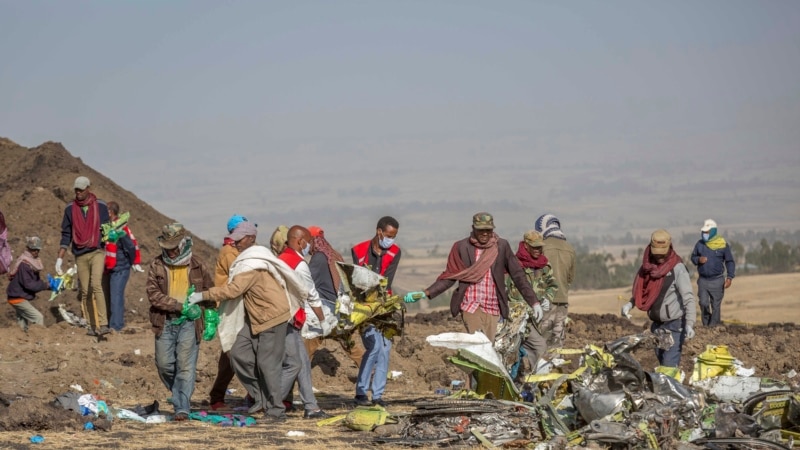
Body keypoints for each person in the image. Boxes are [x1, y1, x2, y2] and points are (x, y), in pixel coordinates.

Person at [190, 221, 308, 423]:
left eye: (239, 240)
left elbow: (232, 290)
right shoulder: (248, 259)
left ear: (251, 239)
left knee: (267, 363)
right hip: (255, 317)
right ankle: (261, 397)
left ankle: (276, 410)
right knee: (237, 353)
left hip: (271, 317)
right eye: (233, 239)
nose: (234, 243)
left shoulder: (252, 264)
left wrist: (203, 295)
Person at [410, 213, 542, 344]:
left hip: (493, 305)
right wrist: (426, 293)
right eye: (481, 230)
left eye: (488, 230)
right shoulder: (461, 247)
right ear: (473, 228)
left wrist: (534, 302)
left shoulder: (501, 246)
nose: (485, 233)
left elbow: (518, 275)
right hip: (470, 304)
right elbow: (450, 276)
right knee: (478, 344)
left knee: (489, 346)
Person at [145, 223, 213, 421]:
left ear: (183, 244)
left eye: (174, 248)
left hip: (190, 324)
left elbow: (209, 290)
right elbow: (153, 294)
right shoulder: (156, 265)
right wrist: (178, 306)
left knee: (185, 366)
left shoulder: (198, 265)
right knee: (164, 364)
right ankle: (179, 395)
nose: (171, 253)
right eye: (167, 249)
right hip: (165, 321)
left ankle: (182, 407)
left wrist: (210, 315)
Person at [621, 229, 696, 368]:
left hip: (674, 326)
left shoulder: (677, 269)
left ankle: (671, 387)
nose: (660, 257)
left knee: (668, 367)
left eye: (663, 254)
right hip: (656, 327)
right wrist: (630, 304)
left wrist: (690, 324)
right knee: (662, 365)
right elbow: (642, 292)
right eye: (657, 254)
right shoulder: (648, 268)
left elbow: (689, 298)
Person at [277, 225, 330, 419]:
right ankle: (271, 403)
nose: (309, 246)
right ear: (300, 242)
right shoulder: (299, 265)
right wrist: (323, 321)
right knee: (294, 364)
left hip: (285, 319)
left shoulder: (281, 259)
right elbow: (312, 295)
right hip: (286, 320)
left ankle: (311, 407)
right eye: (308, 242)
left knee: (304, 363)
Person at [351, 216, 402, 407]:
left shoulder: (395, 252)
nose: (391, 240)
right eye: (389, 235)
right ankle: (361, 392)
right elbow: (359, 278)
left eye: (394, 236)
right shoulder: (359, 250)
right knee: (373, 347)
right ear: (379, 231)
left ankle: (378, 395)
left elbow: (386, 280)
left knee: (385, 350)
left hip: (384, 306)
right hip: (364, 307)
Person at [57, 176, 111, 336]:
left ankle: (103, 323)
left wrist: (110, 236)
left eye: (81, 189)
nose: (78, 192)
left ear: (88, 188)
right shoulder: (70, 209)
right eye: (76, 190)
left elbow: (107, 228)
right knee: (86, 291)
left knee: (96, 284)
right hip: (80, 253)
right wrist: (60, 257)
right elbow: (66, 233)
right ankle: (91, 325)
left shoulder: (100, 206)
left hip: (97, 251)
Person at [306, 226, 365, 367]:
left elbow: (307, 283)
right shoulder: (333, 254)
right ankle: (369, 371)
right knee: (350, 345)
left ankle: (298, 378)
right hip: (339, 310)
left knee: (307, 347)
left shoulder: (318, 258)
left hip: (325, 311)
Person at [208, 214, 249, 410]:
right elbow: (241, 277)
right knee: (231, 354)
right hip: (230, 308)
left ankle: (252, 395)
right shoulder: (230, 252)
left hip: (239, 306)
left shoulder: (235, 250)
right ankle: (217, 396)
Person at [506, 230, 558, 372]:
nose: (538, 250)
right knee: (510, 352)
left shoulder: (544, 266)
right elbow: (504, 289)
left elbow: (552, 285)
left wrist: (548, 297)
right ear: (526, 245)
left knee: (540, 348)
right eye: (534, 247)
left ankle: (534, 382)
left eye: (540, 247)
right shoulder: (514, 265)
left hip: (534, 320)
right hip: (514, 320)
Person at [534, 214, 575, 348]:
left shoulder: (541, 247)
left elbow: (535, 275)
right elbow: (570, 278)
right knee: (557, 342)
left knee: (541, 340)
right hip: (563, 301)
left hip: (544, 301)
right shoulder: (570, 249)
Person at [103, 201, 143, 332]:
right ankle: (112, 324)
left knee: (116, 297)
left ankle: (116, 326)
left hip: (120, 268)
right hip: (112, 268)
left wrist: (133, 262)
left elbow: (130, 246)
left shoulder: (121, 228)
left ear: (111, 212)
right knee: (111, 297)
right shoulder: (108, 227)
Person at [690, 219, 735, 327]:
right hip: (703, 280)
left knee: (716, 305)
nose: (705, 234)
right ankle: (706, 325)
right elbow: (693, 257)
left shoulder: (723, 245)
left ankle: (713, 327)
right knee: (703, 303)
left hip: (717, 280)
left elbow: (729, 261)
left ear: (714, 231)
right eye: (704, 232)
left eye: (707, 232)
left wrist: (729, 277)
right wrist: (698, 260)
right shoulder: (699, 244)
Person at [6, 237, 51, 331]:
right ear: (28, 248)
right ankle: (39, 341)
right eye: (33, 249)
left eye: (37, 250)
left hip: (16, 295)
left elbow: (34, 282)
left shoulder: (31, 262)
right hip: (17, 297)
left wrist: (47, 286)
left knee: (22, 324)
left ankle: (22, 339)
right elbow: (29, 284)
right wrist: (45, 285)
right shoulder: (25, 264)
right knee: (38, 318)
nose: (36, 252)